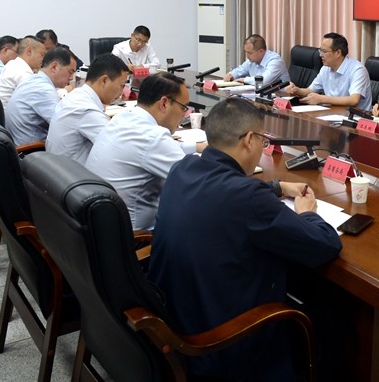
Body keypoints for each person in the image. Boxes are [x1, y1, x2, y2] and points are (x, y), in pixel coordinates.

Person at [147, 97, 342, 380]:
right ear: (250, 140)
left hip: (175, 322)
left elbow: (224, 191)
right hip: (221, 345)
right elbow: (325, 244)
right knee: (333, 314)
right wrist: (307, 212)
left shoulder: (183, 168)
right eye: (263, 139)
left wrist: (276, 187)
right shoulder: (248, 198)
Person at [85, 72, 206, 230]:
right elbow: (198, 181)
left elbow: (161, 149)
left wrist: (197, 146)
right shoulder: (152, 136)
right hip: (138, 237)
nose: (184, 115)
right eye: (183, 108)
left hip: (102, 227)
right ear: (164, 103)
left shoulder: (122, 119)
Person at [45, 54, 130, 164]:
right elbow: (120, 147)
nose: (122, 92)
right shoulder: (86, 110)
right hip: (74, 172)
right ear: (104, 81)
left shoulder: (76, 95)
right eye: (122, 85)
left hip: (57, 168)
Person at [5, 48, 76, 146]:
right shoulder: (44, 89)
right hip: (31, 150)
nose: (71, 78)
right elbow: (63, 127)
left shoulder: (33, 79)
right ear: (54, 67)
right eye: (70, 72)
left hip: (20, 143)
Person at [284, 32, 372, 110]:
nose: (320, 55)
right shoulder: (325, 68)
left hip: (355, 118)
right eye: (320, 50)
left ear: (338, 53)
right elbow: (310, 91)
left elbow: (354, 100)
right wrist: (297, 90)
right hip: (332, 113)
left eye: (324, 51)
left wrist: (321, 99)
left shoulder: (357, 70)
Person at [0, 35, 46, 109]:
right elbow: (40, 99)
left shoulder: (12, 64)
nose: (43, 59)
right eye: (42, 55)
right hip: (6, 114)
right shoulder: (24, 73)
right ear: (29, 51)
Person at [223, 34, 290, 86]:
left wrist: (244, 80)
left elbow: (263, 81)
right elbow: (241, 70)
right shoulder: (251, 60)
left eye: (250, 53)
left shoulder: (275, 61)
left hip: (280, 97)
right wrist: (231, 75)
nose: (247, 56)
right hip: (259, 95)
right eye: (246, 52)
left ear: (261, 51)